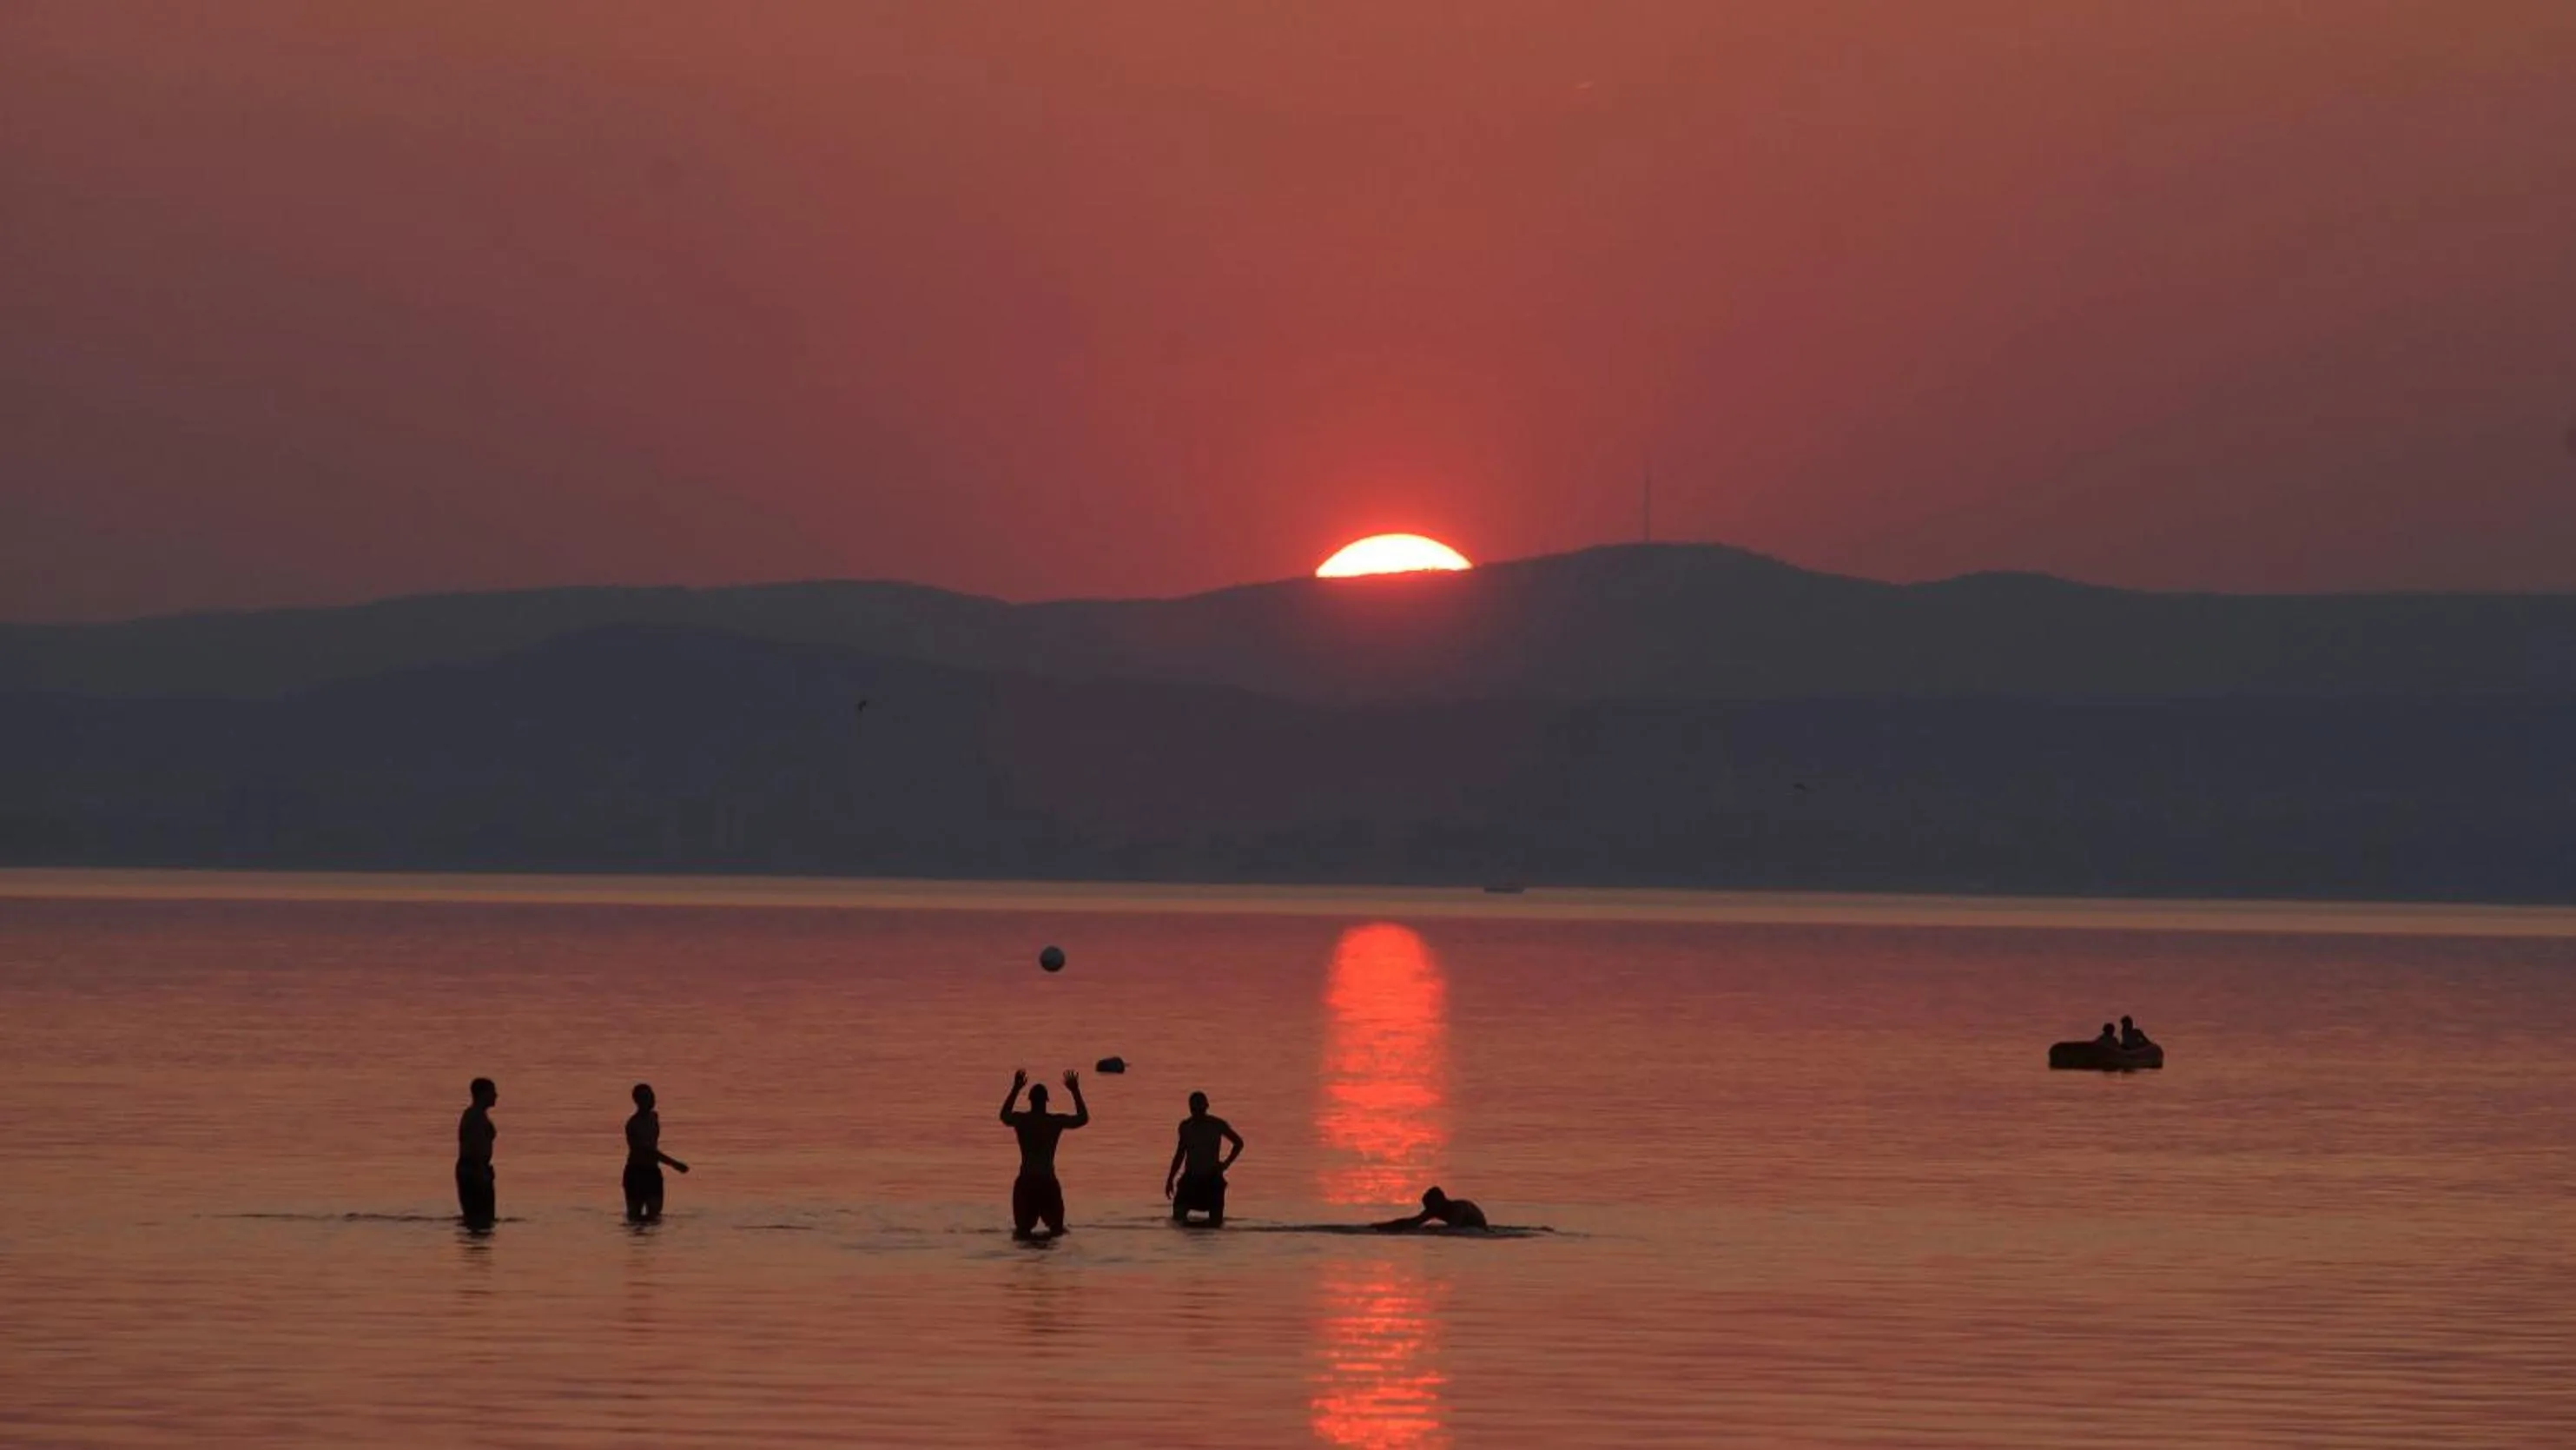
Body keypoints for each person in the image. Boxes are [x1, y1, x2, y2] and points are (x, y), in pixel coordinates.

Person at [999, 1069, 1089, 1239]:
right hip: (1047, 1180)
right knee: (1057, 1230)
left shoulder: (1022, 1120)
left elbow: (1004, 1116)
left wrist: (1015, 1089)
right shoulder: (1054, 1122)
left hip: (1027, 1180)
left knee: (1022, 1232)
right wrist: (1075, 1091)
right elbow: (1082, 1118)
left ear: (1030, 1100)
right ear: (1046, 1102)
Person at [1164, 1091, 1245, 1226]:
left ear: (1206, 1107)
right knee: (1177, 1220)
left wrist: (1225, 1164)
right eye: (1194, 1109)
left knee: (1216, 1222)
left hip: (1211, 1178)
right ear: (1190, 1109)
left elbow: (1238, 1143)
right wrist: (1170, 1178)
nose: (1197, 1113)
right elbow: (1180, 1154)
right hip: (1191, 1177)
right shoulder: (1186, 1126)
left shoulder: (1217, 1125)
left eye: (1200, 1109)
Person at [623, 1083, 691, 1222]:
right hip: (636, 1172)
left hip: (652, 1172)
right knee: (634, 1217)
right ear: (638, 1101)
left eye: (652, 1096)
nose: (651, 1100)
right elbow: (648, 1151)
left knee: (655, 1218)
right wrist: (674, 1164)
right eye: (646, 1097)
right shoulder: (633, 1124)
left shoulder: (654, 1118)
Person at [457, 1077, 498, 1229]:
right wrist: (481, 1171)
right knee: (479, 1217)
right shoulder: (474, 1117)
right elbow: (475, 1147)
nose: (496, 1095)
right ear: (482, 1094)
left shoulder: (479, 1115)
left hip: (478, 1168)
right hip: (474, 1169)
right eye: (492, 1092)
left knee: (484, 1218)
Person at [1375, 1185, 1488, 1233]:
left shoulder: (1458, 1208)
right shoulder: (1436, 1210)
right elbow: (1414, 1222)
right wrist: (1384, 1226)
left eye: (1430, 1206)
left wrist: (1431, 1230)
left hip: (1479, 1228)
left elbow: (1453, 1228)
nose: (1429, 1209)